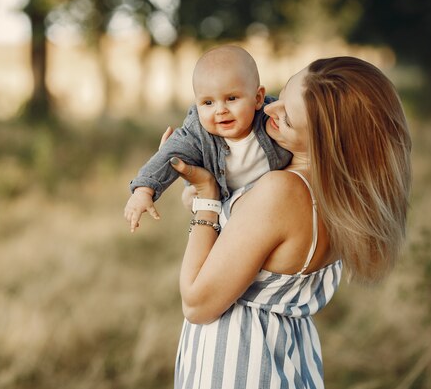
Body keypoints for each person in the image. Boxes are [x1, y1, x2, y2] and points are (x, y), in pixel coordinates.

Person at [167, 56, 412, 388]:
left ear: (327, 142)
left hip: (238, 366)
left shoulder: (281, 193)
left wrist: (206, 194)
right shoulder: (341, 198)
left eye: (288, 118)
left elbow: (197, 303)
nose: (269, 110)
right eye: (280, 96)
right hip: (289, 358)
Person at [124, 45, 292, 232]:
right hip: (228, 214)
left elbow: (306, 129)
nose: (220, 110)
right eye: (208, 102)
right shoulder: (197, 133)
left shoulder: (273, 117)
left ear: (258, 98)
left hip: (274, 207)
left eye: (232, 98)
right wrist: (143, 191)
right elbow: (167, 156)